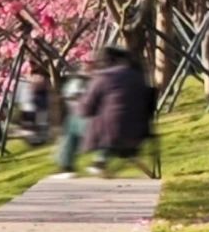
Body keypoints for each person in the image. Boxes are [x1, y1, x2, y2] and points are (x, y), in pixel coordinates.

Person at [59, 46, 155, 175]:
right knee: (112, 118)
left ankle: (66, 166)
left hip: (110, 137)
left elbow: (84, 110)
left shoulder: (103, 77)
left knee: (73, 121)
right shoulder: (138, 77)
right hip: (138, 136)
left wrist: (79, 101)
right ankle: (100, 160)